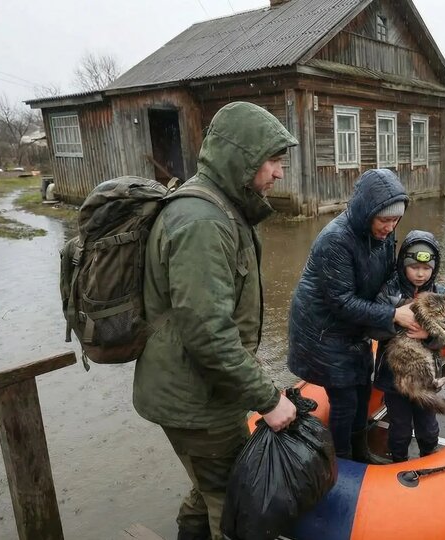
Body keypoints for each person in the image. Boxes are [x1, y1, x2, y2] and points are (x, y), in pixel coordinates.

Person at [133, 101, 299, 540]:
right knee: (235, 504)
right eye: (274, 161)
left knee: (206, 485)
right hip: (196, 400)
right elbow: (208, 333)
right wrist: (267, 398)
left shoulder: (225, 208)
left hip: (207, 390)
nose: (279, 173)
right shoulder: (202, 222)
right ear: (242, 158)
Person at [286, 169, 419, 462]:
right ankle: (342, 461)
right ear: (366, 212)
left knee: (362, 389)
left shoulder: (386, 233)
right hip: (323, 331)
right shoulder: (335, 241)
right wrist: (394, 314)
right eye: (384, 220)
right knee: (345, 400)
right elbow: (342, 303)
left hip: (354, 329)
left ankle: (361, 451)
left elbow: (389, 276)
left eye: (396, 220)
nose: (390, 226)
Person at [371, 230, 445, 462]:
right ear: (403, 264)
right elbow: (372, 329)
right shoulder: (388, 291)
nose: (420, 273)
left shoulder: (441, 293)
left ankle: (429, 454)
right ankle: (398, 459)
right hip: (394, 378)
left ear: (434, 268)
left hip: (426, 377)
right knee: (399, 426)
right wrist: (396, 318)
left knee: (428, 424)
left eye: (426, 268)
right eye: (414, 267)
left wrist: (427, 335)